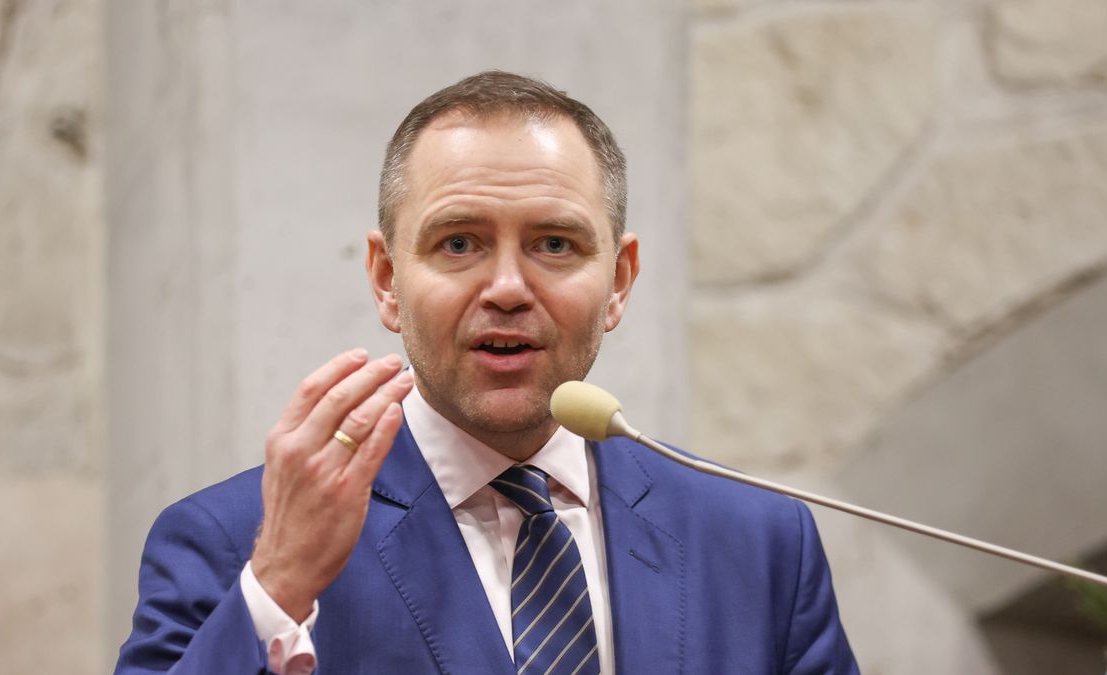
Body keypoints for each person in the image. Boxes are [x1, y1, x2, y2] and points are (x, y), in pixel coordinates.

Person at [114, 70, 858, 675]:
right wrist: (277, 586)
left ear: (620, 281)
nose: (507, 286)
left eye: (556, 244)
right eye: (460, 242)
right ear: (385, 278)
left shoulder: (757, 542)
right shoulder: (234, 540)